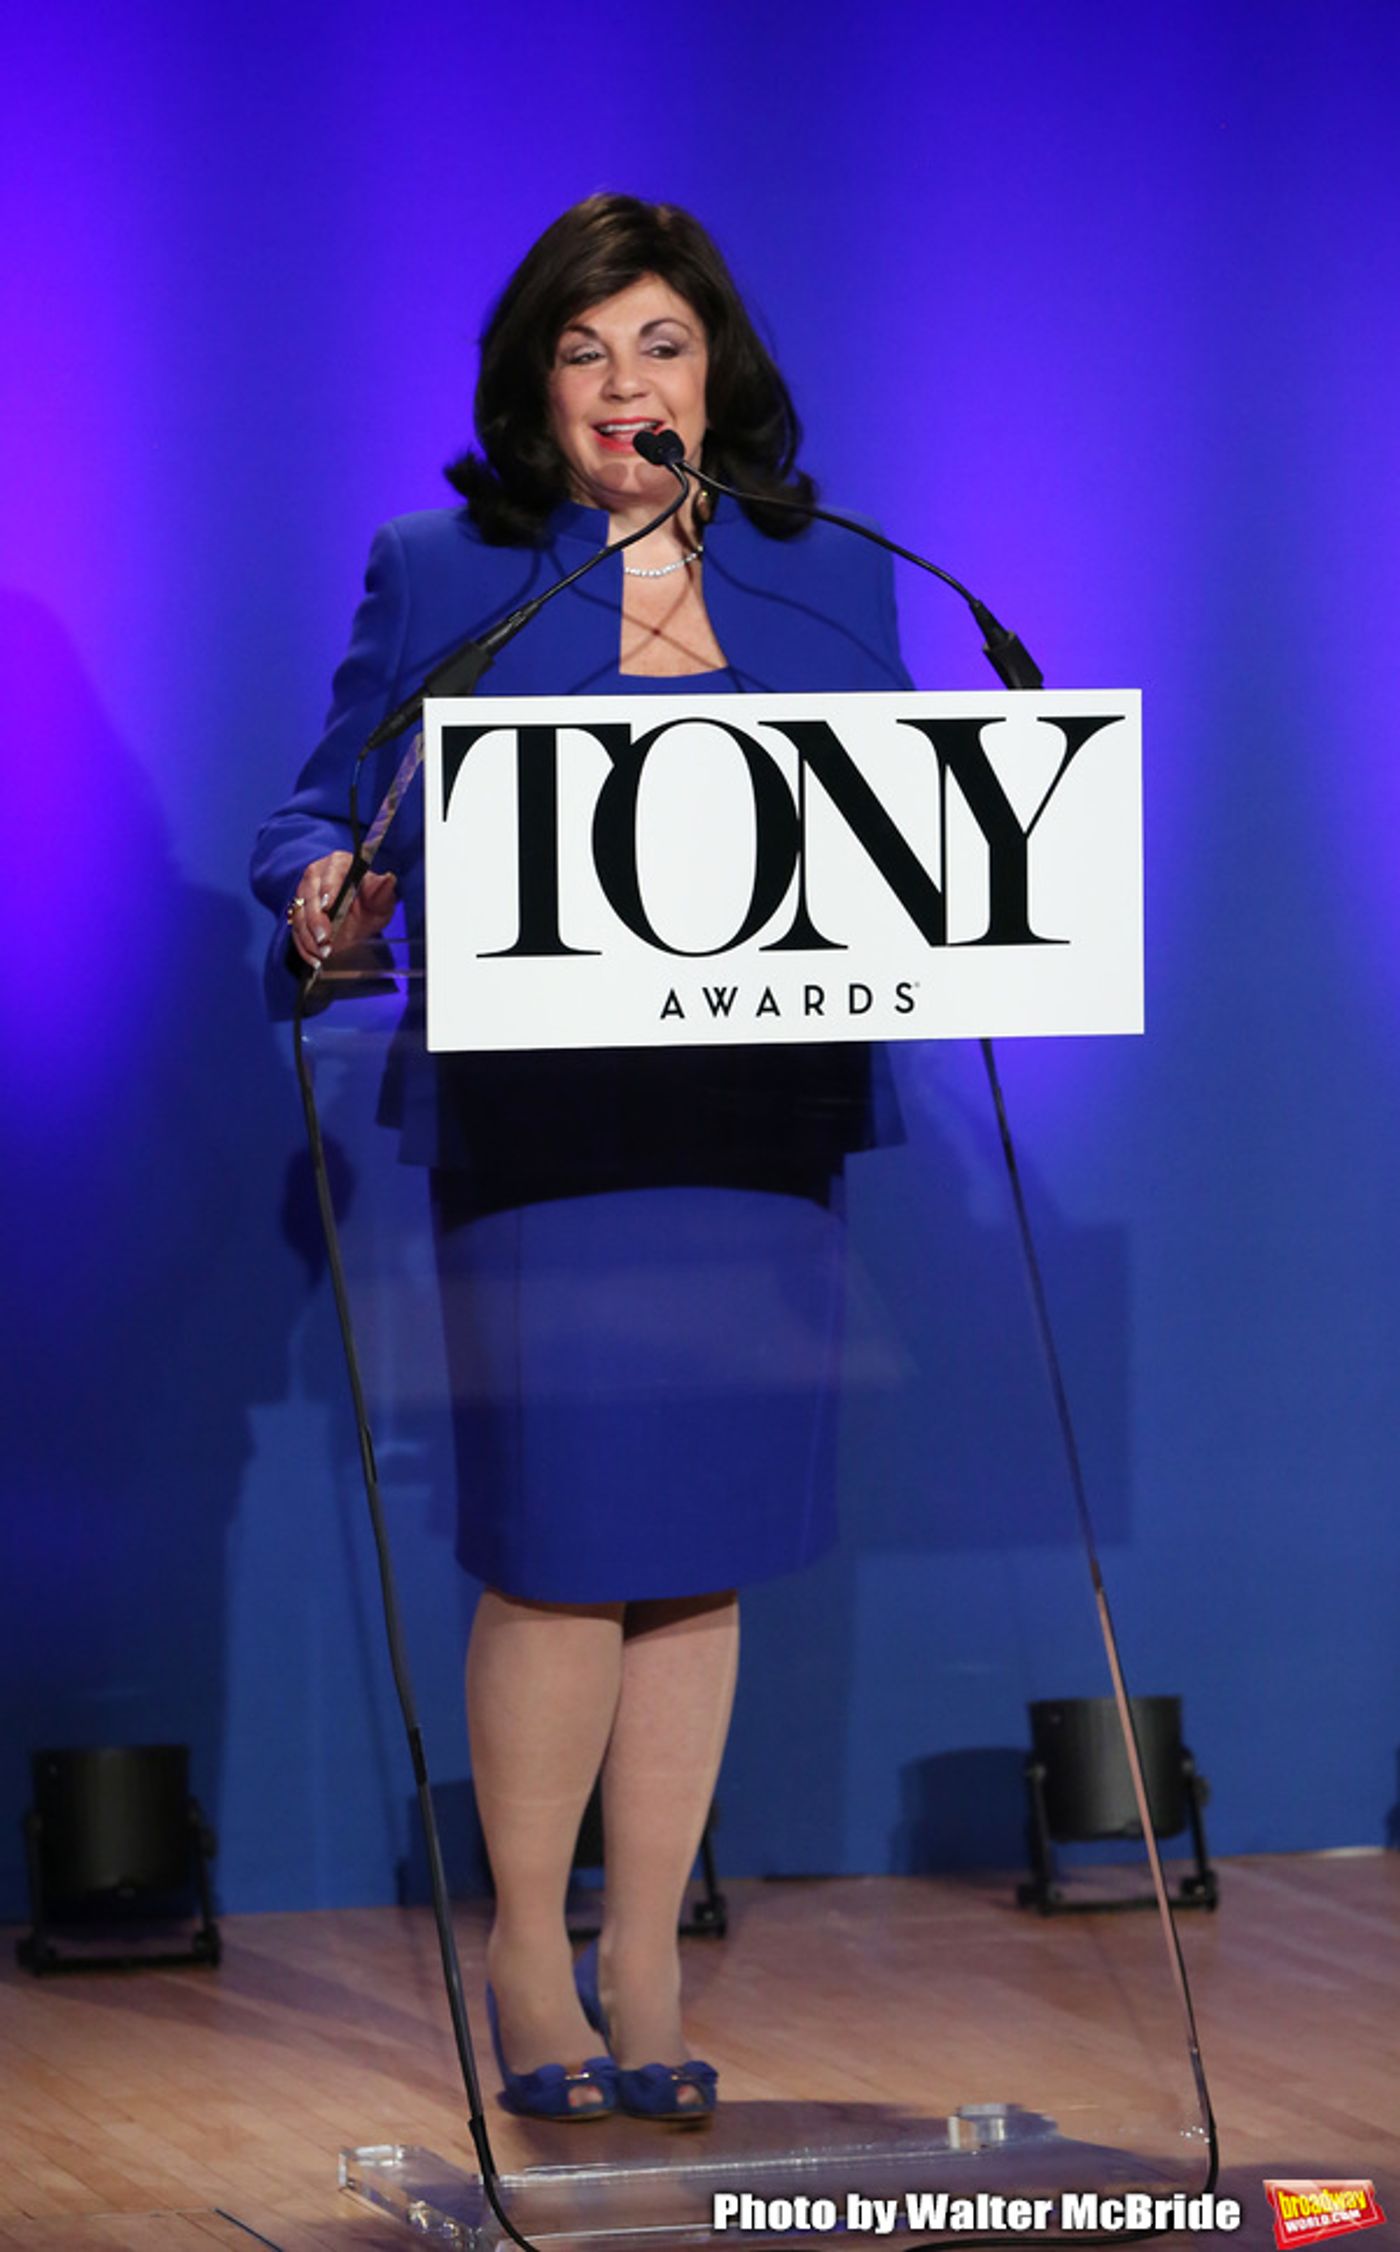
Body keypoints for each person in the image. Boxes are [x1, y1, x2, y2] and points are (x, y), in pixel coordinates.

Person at [252, 194, 911, 2122]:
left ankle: (649, 1960)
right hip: (543, 1127)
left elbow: (903, 817)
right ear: (535, 387)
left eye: (663, 345)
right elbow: (317, 811)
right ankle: (529, 1953)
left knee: (701, 1548)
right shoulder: (446, 566)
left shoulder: (825, 572)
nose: (629, 382)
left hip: (757, 1119)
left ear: (719, 374)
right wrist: (329, 894)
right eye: (585, 348)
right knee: (560, 1549)